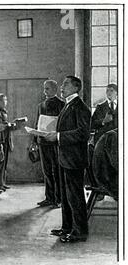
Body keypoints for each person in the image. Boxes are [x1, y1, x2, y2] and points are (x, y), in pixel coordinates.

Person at [45, 76, 91, 243]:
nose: (62, 87)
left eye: (65, 84)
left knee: (75, 197)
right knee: (65, 196)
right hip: (66, 158)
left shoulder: (80, 107)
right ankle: (67, 227)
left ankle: (80, 232)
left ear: (75, 87)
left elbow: (83, 133)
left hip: (74, 160)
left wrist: (58, 136)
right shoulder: (68, 105)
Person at [34, 80, 65, 208]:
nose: (44, 91)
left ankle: (58, 199)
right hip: (43, 142)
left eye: (47, 89)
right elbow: (37, 123)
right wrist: (35, 141)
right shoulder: (41, 105)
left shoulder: (62, 104)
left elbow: (63, 124)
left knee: (56, 170)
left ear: (54, 90)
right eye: (44, 89)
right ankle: (49, 197)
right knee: (46, 171)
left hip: (54, 142)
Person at [0, 94, 13, 191]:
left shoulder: (4, 111)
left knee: (4, 163)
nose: (4, 102)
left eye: (5, 100)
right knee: (0, 163)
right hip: (0, 139)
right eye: (2, 100)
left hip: (6, 139)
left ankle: (2, 182)